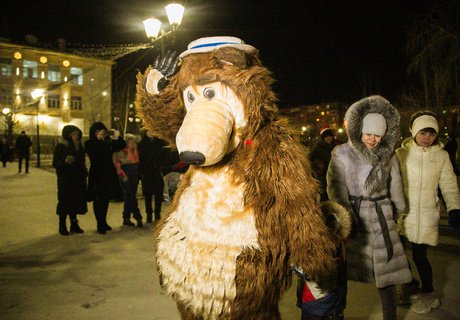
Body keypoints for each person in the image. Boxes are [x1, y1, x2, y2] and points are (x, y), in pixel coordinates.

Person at [327, 95, 412, 320]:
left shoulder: (388, 156)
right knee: (341, 274)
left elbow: (396, 186)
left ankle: (390, 316)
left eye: (378, 135)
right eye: (368, 133)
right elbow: (336, 186)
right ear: (359, 131)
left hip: (382, 217)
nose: (373, 139)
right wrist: (345, 217)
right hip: (353, 218)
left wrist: (397, 209)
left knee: (387, 276)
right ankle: (335, 314)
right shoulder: (342, 153)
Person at [395, 110, 460, 314]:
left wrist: (455, 209)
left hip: (425, 215)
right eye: (423, 133)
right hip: (402, 215)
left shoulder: (441, 156)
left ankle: (428, 293)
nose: (427, 138)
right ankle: (408, 284)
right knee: (395, 255)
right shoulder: (400, 154)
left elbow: (449, 185)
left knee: (420, 257)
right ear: (414, 132)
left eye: (432, 134)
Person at [296, 201, 351, 320]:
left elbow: (300, 268)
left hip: (318, 304)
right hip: (327, 304)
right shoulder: (340, 243)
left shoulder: (318, 248)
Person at [85, 122, 126, 234]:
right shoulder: (90, 143)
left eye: (103, 131)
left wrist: (117, 136)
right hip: (97, 174)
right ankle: (100, 223)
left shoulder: (108, 143)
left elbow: (122, 145)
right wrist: (98, 140)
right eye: (98, 131)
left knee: (106, 198)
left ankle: (103, 221)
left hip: (108, 173)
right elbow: (94, 152)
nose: (101, 133)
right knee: (98, 199)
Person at [52, 125, 87, 235]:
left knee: (75, 201)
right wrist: (64, 161)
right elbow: (55, 163)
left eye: (77, 134)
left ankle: (74, 223)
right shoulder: (61, 147)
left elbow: (81, 161)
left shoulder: (78, 146)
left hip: (77, 179)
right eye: (73, 134)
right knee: (64, 201)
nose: (75, 136)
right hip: (65, 179)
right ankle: (62, 225)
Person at [113, 133, 143, 227]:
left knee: (129, 197)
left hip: (134, 175)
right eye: (130, 142)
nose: (133, 144)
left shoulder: (137, 152)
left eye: (134, 142)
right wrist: (122, 175)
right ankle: (138, 217)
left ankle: (126, 218)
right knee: (131, 196)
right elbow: (117, 165)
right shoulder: (121, 152)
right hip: (125, 175)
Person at [137, 131, 165, 222]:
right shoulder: (142, 143)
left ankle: (157, 213)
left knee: (158, 193)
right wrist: (141, 173)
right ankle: (149, 213)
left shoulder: (159, 142)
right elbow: (140, 159)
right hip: (147, 172)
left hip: (157, 171)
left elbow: (164, 155)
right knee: (148, 194)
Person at [309, 127, 340, 201]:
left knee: (335, 194)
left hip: (335, 174)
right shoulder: (318, 148)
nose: (329, 138)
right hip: (324, 176)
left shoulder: (335, 146)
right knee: (325, 195)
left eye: (330, 137)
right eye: (327, 137)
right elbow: (309, 159)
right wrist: (317, 166)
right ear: (323, 138)